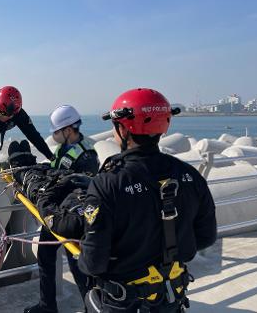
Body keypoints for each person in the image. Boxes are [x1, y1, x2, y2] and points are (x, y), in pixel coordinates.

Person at [78, 88, 217, 312]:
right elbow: (206, 237)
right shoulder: (190, 175)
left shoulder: (108, 183)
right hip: (171, 298)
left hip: (125, 302)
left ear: (123, 129)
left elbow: (93, 263)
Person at [24, 105, 100, 313]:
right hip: (56, 212)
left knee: (78, 264)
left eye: (56, 132)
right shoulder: (65, 150)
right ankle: (47, 305)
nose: (55, 136)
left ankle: (91, 307)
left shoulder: (86, 156)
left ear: (68, 130)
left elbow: (84, 189)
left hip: (73, 217)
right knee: (45, 255)